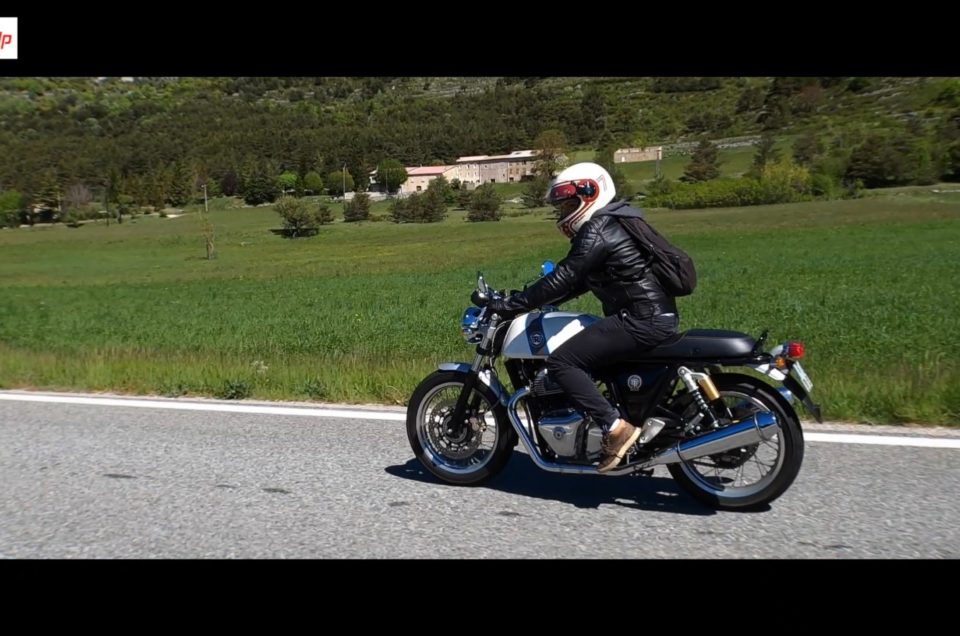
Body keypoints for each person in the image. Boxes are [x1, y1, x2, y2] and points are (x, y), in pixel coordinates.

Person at [488, 162, 680, 472]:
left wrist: (511, 305)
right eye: (561, 205)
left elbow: (565, 275)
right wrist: (525, 299)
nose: (564, 211)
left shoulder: (599, 228)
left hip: (640, 320)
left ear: (591, 194)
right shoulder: (615, 222)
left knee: (562, 361)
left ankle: (616, 428)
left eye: (568, 203)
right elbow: (577, 283)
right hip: (651, 317)